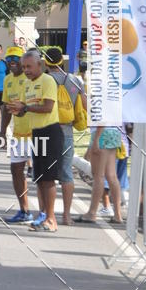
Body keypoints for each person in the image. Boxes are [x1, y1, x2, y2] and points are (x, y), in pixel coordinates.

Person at [8, 48, 63, 232]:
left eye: (29, 66)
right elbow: (24, 108)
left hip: (50, 132)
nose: (26, 70)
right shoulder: (28, 84)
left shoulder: (47, 81)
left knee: (48, 180)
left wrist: (26, 108)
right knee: (39, 179)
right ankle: (43, 216)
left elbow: (47, 107)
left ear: (40, 65)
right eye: (24, 67)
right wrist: (16, 109)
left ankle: (51, 219)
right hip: (36, 133)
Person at [42, 46, 86, 226]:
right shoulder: (75, 80)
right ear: (61, 61)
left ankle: (46, 214)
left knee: (46, 175)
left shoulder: (43, 80)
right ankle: (66, 216)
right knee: (67, 174)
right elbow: (84, 104)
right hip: (67, 132)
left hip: (46, 130)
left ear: (46, 62)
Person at [0, 46, 33, 224]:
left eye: (15, 58)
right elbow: (6, 108)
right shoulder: (7, 80)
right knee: (16, 171)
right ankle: (24, 210)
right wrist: (2, 132)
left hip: (37, 133)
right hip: (19, 134)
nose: (12, 61)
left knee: (42, 177)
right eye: (9, 58)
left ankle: (44, 214)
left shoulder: (30, 79)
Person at [76, 126, 123, 226]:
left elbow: (101, 118)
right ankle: (118, 215)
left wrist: (95, 140)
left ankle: (92, 212)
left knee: (98, 175)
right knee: (111, 176)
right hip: (114, 131)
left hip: (101, 133)